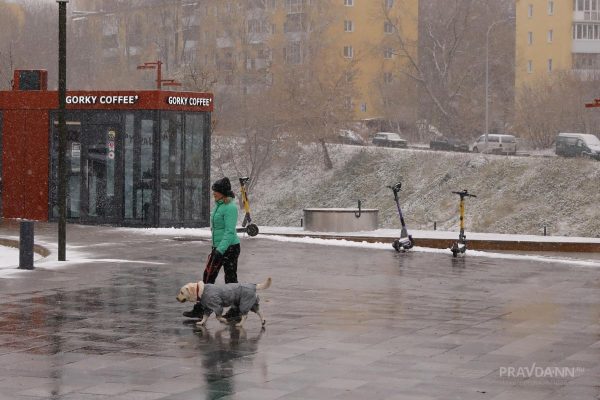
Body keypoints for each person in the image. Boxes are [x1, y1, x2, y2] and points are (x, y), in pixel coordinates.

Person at [184, 177, 241, 319]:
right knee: (207, 277)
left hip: (230, 247)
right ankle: (201, 308)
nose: (213, 194)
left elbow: (229, 232)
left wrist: (220, 250)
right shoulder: (218, 205)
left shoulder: (230, 208)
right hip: (218, 247)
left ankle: (236, 310)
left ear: (223, 192)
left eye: (216, 191)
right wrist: (216, 248)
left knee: (231, 280)